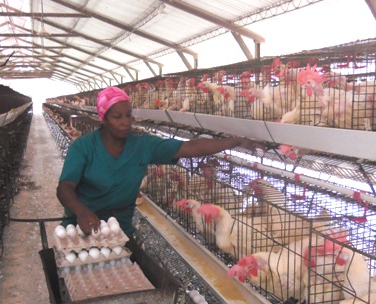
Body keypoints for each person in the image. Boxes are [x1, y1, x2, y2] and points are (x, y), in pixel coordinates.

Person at [57, 86, 262, 238]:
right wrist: (81, 211)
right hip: (80, 229)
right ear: (103, 118)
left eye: (128, 115)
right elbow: (65, 187)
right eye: (117, 117)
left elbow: (191, 147)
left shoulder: (142, 145)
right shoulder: (83, 147)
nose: (125, 121)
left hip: (119, 230)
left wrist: (235, 141)